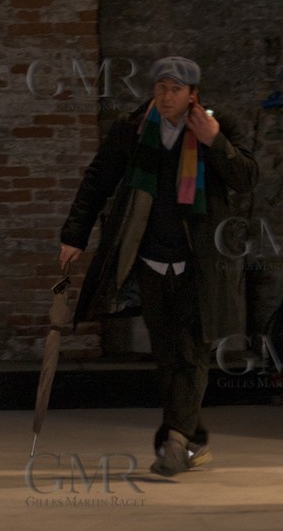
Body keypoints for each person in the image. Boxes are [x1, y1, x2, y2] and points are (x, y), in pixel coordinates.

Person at [56, 56, 259, 476]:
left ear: (192, 95)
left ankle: (176, 442)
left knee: (193, 348)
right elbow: (99, 179)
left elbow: (246, 179)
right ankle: (191, 436)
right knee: (166, 354)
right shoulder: (132, 129)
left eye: (175, 89)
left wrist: (215, 142)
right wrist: (74, 235)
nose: (166, 96)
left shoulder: (218, 126)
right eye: (161, 87)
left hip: (198, 261)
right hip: (149, 258)